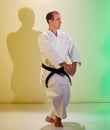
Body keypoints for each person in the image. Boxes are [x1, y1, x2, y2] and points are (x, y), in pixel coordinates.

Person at [38, 11, 81, 127]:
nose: (60, 21)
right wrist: (67, 67)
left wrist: (74, 65)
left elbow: (73, 50)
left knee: (66, 95)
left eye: (60, 19)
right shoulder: (43, 37)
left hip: (62, 71)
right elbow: (51, 53)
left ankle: (50, 116)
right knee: (58, 94)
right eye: (57, 19)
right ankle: (57, 118)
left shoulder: (64, 36)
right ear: (50, 21)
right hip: (50, 71)